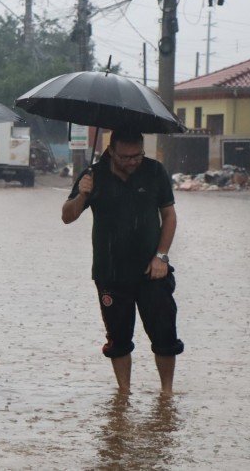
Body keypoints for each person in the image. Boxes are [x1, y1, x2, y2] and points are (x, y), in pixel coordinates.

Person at [62, 129, 184, 395]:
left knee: (165, 335)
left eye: (137, 156)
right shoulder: (92, 175)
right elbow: (67, 216)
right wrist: (82, 195)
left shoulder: (154, 171)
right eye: (126, 157)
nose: (132, 161)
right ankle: (124, 395)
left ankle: (166, 395)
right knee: (118, 339)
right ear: (111, 151)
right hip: (110, 273)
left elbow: (170, 216)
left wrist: (161, 256)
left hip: (152, 271)